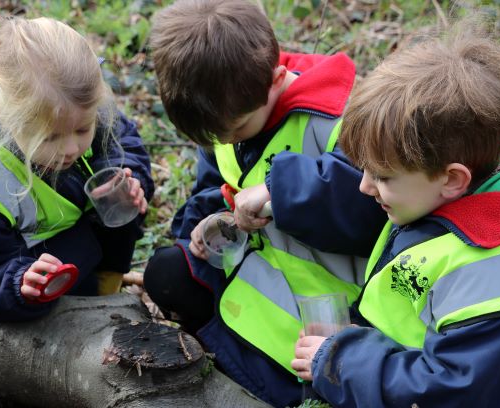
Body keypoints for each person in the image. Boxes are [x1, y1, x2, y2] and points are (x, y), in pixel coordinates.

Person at [291, 20, 500, 408]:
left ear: (452, 178)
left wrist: (341, 361)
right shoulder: (438, 204)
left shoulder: (492, 271)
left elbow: (449, 393)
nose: (364, 187)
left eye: (383, 176)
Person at [144, 0, 387, 406]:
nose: (225, 142)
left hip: (333, 310)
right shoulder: (227, 114)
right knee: (168, 271)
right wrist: (210, 220)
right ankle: (221, 345)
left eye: (236, 130)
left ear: (276, 80)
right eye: (213, 137)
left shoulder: (340, 120)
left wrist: (279, 194)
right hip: (258, 279)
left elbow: (365, 210)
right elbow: (213, 185)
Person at [0, 17, 155, 322]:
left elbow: (125, 142)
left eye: (83, 130)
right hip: (48, 278)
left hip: (92, 250)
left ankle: (109, 285)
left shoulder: (78, 107)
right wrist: (19, 283)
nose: (72, 148)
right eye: (51, 137)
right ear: (10, 119)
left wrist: (129, 176)